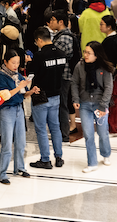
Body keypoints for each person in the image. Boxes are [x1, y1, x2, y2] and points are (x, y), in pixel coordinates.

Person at [0, 50, 36, 184]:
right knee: (6, 143)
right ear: (5, 62)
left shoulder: (18, 76)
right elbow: (3, 96)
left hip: (18, 109)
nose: (16, 65)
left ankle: (20, 168)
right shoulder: (1, 77)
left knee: (21, 141)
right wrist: (20, 87)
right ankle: (2, 173)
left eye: (18, 62)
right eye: (13, 62)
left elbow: (23, 94)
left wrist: (31, 91)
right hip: (6, 111)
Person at [71, 41, 114, 173]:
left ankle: (106, 154)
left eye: (89, 53)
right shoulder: (80, 66)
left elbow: (108, 87)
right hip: (84, 105)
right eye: (85, 52)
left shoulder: (104, 68)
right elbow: (74, 83)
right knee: (88, 134)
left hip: (99, 104)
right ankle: (92, 162)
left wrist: (102, 106)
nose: (86, 55)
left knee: (102, 132)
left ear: (97, 55)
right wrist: (75, 99)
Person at [29, 27, 66, 170]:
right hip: (56, 95)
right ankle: (59, 156)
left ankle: (45, 159)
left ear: (39, 39)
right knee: (55, 127)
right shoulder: (62, 54)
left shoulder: (39, 56)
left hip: (41, 96)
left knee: (41, 129)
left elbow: (31, 75)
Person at [99, 15, 117, 135]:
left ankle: (112, 127)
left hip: (113, 75)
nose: (100, 27)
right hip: (113, 74)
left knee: (113, 99)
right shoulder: (115, 38)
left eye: (102, 24)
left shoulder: (111, 41)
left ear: (109, 27)